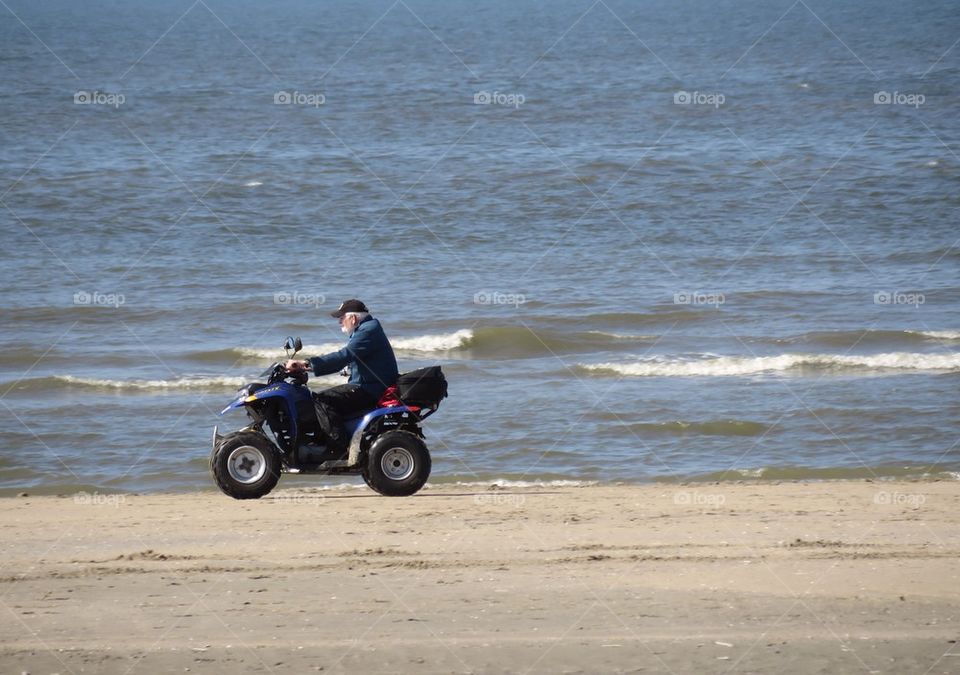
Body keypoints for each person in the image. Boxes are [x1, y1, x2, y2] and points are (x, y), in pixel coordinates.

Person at [285, 299, 398, 455]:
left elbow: (344, 355)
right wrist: (348, 369)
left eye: (341, 317)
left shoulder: (368, 331)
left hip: (370, 389)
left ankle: (337, 448)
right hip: (370, 385)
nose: (339, 321)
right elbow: (358, 357)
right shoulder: (366, 328)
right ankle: (321, 441)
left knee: (322, 401)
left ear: (353, 318)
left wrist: (305, 364)